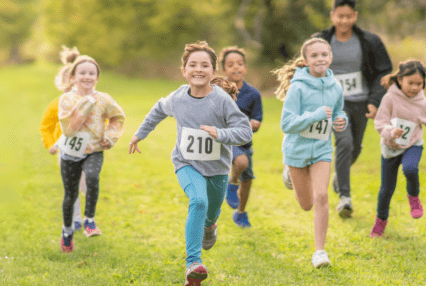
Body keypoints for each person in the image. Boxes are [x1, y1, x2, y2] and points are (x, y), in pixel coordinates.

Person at [129, 41, 252, 286]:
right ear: (184, 70)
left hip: (217, 169)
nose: (198, 69)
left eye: (205, 65)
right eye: (192, 64)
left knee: (211, 211)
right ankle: (193, 264)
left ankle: (210, 225)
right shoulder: (178, 97)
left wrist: (220, 133)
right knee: (198, 201)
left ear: (213, 71)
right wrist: (139, 134)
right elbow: (157, 110)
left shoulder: (221, 100)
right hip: (186, 163)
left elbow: (245, 132)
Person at [311, 0, 393, 218]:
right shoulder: (321, 41)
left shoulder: (370, 41)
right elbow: (306, 67)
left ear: (355, 16)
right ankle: (345, 197)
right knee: (344, 142)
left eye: (348, 16)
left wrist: (375, 100)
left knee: (355, 147)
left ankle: (340, 175)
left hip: (360, 101)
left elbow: (383, 72)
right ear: (332, 16)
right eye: (340, 16)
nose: (344, 20)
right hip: (334, 103)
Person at [273, 38, 347, 268]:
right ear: (306, 61)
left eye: (324, 54)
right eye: (314, 55)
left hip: (322, 149)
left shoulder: (335, 87)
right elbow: (287, 124)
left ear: (331, 58)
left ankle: (320, 252)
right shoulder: (298, 87)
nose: (320, 59)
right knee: (306, 205)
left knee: (321, 196)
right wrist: (314, 115)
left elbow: (338, 111)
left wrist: (339, 120)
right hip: (296, 151)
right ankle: (289, 174)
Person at [58, 54, 125, 252]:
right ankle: (67, 231)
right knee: (70, 195)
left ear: (97, 77)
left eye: (91, 73)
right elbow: (68, 129)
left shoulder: (104, 99)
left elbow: (117, 117)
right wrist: (85, 104)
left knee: (93, 177)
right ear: (73, 77)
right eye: (82, 73)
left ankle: (89, 220)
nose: (87, 76)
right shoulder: (67, 99)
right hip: (70, 153)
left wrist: (111, 137)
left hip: (94, 149)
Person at [370, 60, 426, 237]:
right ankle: (380, 221)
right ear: (400, 80)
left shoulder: (423, 103)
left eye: (419, 84)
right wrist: (391, 131)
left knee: (410, 169)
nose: (415, 87)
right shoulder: (390, 98)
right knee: (386, 190)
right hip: (391, 147)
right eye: (411, 83)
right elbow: (380, 122)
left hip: (413, 144)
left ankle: (414, 198)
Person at [40, 46, 86, 232]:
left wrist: (104, 136)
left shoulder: (91, 103)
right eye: (69, 86)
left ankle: (85, 202)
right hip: (65, 151)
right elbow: (46, 127)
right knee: (71, 187)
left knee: (85, 184)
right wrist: (51, 144)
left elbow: (104, 119)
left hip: (87, 150)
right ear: (64, 85)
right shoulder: (57, 104)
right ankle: (75, 219)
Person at [219, 46, 263, 228]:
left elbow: (257, 121)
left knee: (248, 179)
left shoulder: (253, 94)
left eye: (239, 64)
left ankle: (241, 213)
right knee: (241, 162)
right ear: (224, 70)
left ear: (245, 68)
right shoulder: (218, 90)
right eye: (230, 65)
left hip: (243, 141)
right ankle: (232, 182)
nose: (235, 67)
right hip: (222, 140)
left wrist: (249, 124)